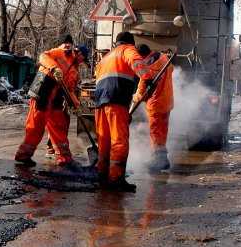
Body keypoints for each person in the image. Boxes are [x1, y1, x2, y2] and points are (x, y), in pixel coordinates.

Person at [93, 31, 153, 191]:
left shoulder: (106, 57)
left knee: (104, 141)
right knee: (119, 141)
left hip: (99, 102)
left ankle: (102, 174)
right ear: (130, 43)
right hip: (116, 100)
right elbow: (138, 64)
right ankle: (116, 179)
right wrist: (147, 77)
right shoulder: (127, 50)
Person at [15, 35, 87, 167]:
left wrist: (76, 105)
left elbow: (70, 90)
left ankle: (64, 159)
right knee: (35, 127)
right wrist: (54, 68)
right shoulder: (61, 52)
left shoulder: (75, 72)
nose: (82, 62)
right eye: (83, 58)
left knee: (59, 126)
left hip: (56, 97)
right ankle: (23, 156)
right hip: (43, 90)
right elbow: (43, 56)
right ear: (79, 52)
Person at [133, 45, 174, 171]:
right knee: (162, 132)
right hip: (167, 101)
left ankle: (158, 160)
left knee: (155, 133)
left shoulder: (148, 67)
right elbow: (171, 69)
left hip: (156, 104)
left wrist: (134, 98)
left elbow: (142, 92)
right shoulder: (163, 57)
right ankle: (163, 159)